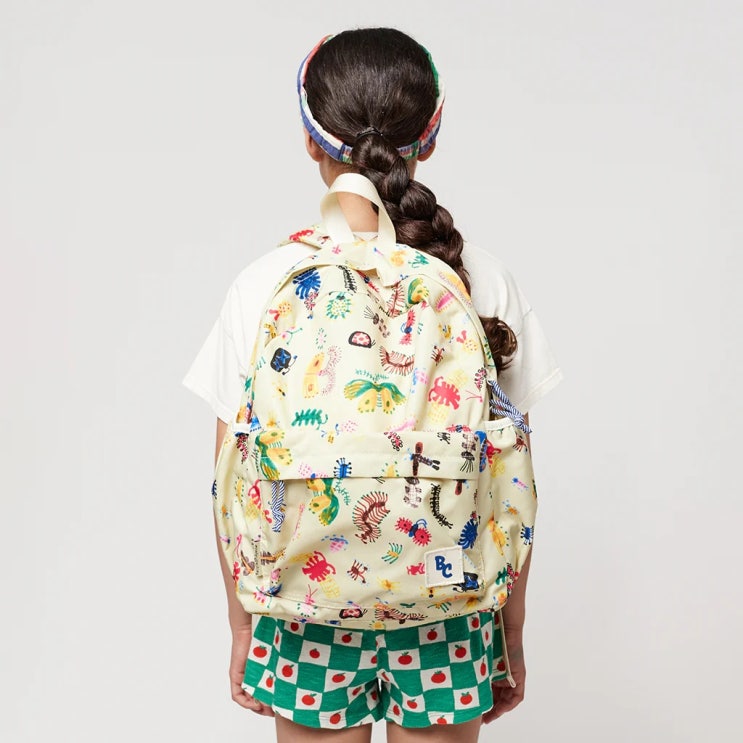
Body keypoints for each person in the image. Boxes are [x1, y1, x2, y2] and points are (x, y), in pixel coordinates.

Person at [184, 27, 561, 743]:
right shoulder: (479, 277)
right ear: (431, 137)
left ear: (309, 141)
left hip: (303, 604)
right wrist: (509, 625)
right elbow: (509, 471)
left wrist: (243, 622)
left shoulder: (265, 283)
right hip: (451, 604)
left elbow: (231, 472)